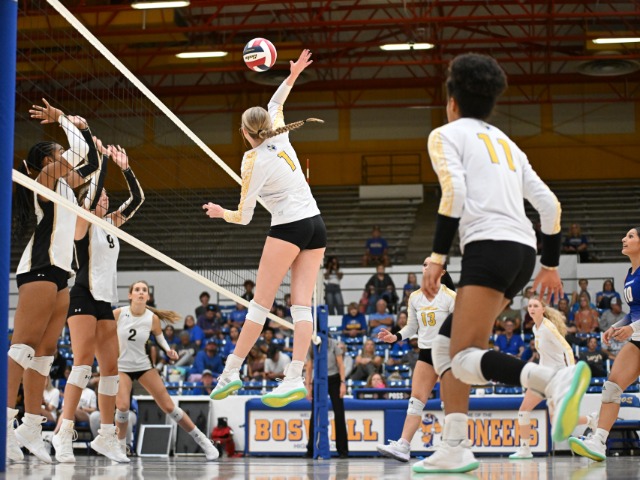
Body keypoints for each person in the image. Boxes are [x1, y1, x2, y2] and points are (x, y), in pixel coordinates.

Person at [416, 53, 590, 474]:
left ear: (451, 100)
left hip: (488, 248)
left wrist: (436, 258)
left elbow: (454, 194)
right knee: (444, 344)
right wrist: (550, 264)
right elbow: (550, 205)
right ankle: (454, 445)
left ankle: (554, 380)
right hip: (523, 253)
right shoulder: (509, 144)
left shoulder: (445, 135)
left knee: (463, 356)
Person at [203, 49, 326, 407]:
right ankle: (294, 377)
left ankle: (231, 371)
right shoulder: (281, 134)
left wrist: (220, 213)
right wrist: (293, 74)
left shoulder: (252, 161)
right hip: (316, 224)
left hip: (289, 227)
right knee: (301, 307)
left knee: (260, 305)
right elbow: (277, 101)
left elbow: (244, 217)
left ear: (243, 132)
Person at [8, 100, 103, 463]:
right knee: (23, 347)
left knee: (45, 354)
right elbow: (80, 155)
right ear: (48, 159)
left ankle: (31, 427)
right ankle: (5, 425)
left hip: (61, 273)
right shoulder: (46, 178)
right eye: (60, 152)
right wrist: (63, 119)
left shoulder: (65, 184)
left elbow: (91, 163)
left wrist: (86, 131)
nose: (66, 156)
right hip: (39, 267)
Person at [51, 142, 143, 464]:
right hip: (82, 295)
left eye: (106, 196)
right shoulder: (82, 221)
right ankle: (63, 433)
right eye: (99, 195)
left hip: (105, 300)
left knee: (111, 370)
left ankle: (106, 436)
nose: (105, 198)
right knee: (82, 363)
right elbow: (91, 197)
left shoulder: (110, 224)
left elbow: (137, 200)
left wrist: (125, 168)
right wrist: (101, 158)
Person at [114, 281, 219, 460]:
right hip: (122, 367)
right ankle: (120, 448)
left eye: (144, 290)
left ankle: (204, 442)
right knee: (122, 406)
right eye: (137, 290)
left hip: (143, 366)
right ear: (130, 295)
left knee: (169, 407)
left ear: (148, 296)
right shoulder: (118, 313)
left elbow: (160, 338)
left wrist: (169, 350)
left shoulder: (152, 318)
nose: (141, 292)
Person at [569, 228, 640, 461]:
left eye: (631, 236)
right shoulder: (630, 274)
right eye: (625, 235)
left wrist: (632, 329)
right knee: (611, 387)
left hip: (637, 333)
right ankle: (599, 441)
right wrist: (617, 326)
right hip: (638, 340)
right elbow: (633, 312)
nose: (624, 239)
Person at [376, 258, 456, 462]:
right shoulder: (415, 297)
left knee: (449, 403)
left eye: (432, 264)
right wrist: (395, 337)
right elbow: (412, 327)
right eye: (424, 264)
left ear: (442, 272)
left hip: (447, 352)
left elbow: (459, 327)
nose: (426, 266)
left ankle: (453, 447)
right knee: (415, 402)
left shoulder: (450, 296)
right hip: (426, 353)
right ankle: (403, 445)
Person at [509, 297, 596, 459]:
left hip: (557, 377)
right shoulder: (535, 328)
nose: (532, 308)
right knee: (524, 410)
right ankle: (525, 449)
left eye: (536, 306)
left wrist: (572, 372)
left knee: (556, 421)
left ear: (543, 309)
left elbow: (567, 349)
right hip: (543, 376)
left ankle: (591, 420)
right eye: (530, 306)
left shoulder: (548, 327)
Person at [305, 335, 348, 458]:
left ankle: (343, 450)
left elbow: (341, 365)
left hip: (334, 379)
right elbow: (309, 368)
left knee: (339, 414)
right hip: (319, 379)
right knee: (315, 414)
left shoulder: (334, 344)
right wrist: (308, 386)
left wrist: (343, 383)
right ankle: (311, 449)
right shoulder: (312, 345)